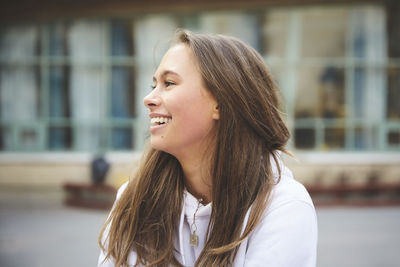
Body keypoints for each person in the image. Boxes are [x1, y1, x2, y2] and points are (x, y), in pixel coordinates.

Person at [98, 30, 317, 267]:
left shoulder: (284, 207)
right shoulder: (133, 197)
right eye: (154, 85)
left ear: (221, 103)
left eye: (169, 83)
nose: (148, 99)